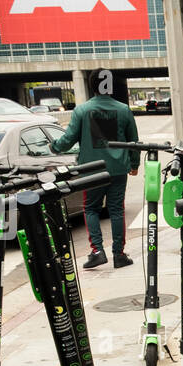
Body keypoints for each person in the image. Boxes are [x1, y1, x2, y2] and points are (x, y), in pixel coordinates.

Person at [50, 67, 140, 269]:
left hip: (91, 170)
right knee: (117, 210)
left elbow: (68, 139)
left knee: (91, 209)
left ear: (92, 86)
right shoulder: (123, 109)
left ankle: (97, 251)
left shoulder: (82, 110)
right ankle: (119, 254)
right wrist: (134, 164)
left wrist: (53, 147)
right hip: (118, 168)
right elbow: (134, 141)